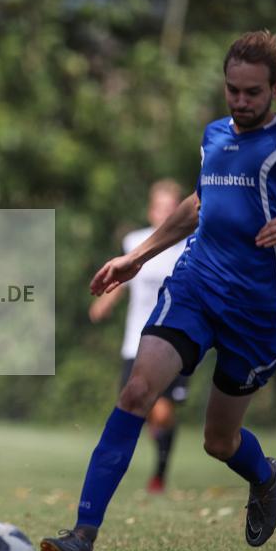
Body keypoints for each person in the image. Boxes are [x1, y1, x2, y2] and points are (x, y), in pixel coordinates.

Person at [41, 30, 276, 551]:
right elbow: (200, 202)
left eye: (252, 92)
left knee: (218, 440)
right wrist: (138, 257)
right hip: (196, 287)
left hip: (257, 313)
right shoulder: (214, 136)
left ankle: (265, 476)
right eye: (233, 90)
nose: (241, 101)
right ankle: (83, 533)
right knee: (136, 392)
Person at [88, 180, 191, 494]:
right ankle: (130, 473)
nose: (164, 213)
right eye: (160, 207)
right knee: (136, 406)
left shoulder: (190, 244)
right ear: (151, 209)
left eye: (171, 207)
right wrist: (103, 301)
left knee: (161, 412)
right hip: (136, 340)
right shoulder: (135, 241)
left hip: (175, 341)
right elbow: (122, 277)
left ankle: (159, 473)